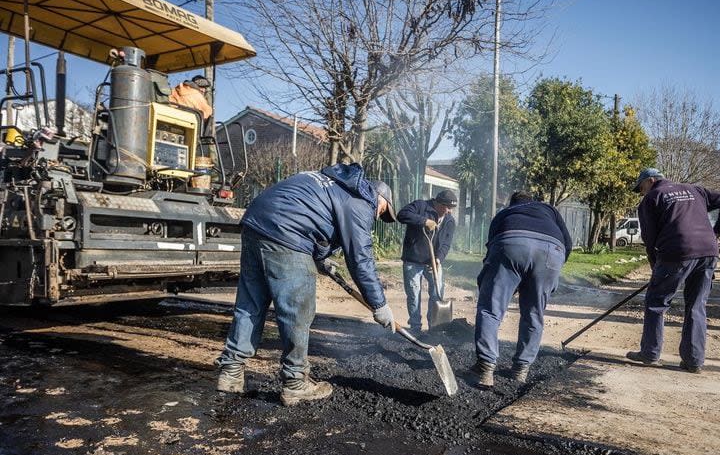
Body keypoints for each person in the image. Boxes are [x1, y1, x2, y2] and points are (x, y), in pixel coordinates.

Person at [215, 163, 398, 405]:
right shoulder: (360, 201)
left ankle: (230, 373)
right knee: (298, 310)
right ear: (380, 198)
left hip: (256, 224)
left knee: (251, 303)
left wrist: (320, 259)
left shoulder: (333, 184)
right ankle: (295, 382)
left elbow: (309, 213)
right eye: (383, 211)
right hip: (287, 235)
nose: (379, 216)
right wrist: (379, 304)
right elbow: (360, 260)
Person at [626, 168, 720, 374]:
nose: (642, 193)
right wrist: (717, 234)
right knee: (697, 305)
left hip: (676, 251)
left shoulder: (652, 198)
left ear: (651, 181)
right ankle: (694, 361)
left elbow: (650, 239)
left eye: (641, 188)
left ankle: (650, 353)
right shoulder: (695, 190)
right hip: (708, 252)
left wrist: (655, 266)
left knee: (656, 303)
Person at [471, 191, 571, 387]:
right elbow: (567, 243)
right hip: (552, 253)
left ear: (511, 204)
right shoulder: (548, 209)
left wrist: (488, 282)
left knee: (490, 310)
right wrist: (552, 270)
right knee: (534, 313)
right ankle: (521, 370)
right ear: (532, 202)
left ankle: (485, 367)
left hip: (510, 245)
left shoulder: (504, 214)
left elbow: (492, 249)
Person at [396, 189, 457, 333]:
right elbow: (401, 215)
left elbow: (446, 244)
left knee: (437, 294)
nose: (449, 211)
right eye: (447, 207)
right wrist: (424, 221)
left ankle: (434, 328)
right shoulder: (420, 206)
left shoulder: (449, 220)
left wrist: (438, 259)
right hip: (413, 260)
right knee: (414, 294)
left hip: (433, 263)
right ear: (437, 203)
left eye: (451, 208)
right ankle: (416, 327)